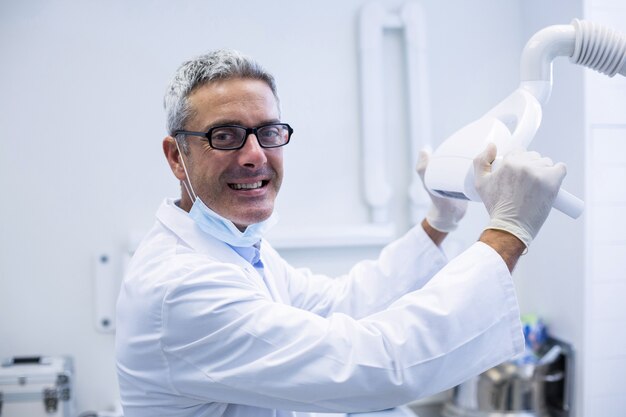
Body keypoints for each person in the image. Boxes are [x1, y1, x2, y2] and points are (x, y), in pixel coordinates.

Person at [115, 49, 567, 417]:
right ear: (177, 157)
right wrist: (508, 231)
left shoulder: (234, 247)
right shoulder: (181, 286)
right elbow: (372, 366)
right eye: (226, 135)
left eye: (268, 132)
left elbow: (338, 303)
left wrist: (440, 221)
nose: (255, 155)